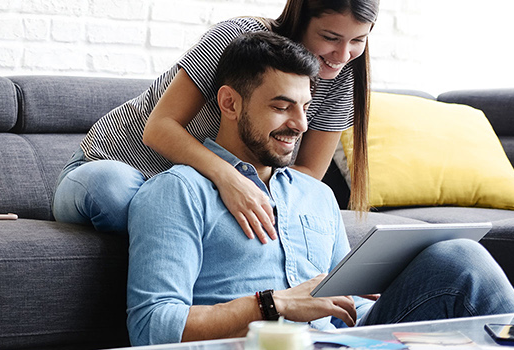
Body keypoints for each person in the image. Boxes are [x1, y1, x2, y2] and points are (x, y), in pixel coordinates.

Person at [123, 31, 514, 346]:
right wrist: (272, 304)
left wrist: (367, 298)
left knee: (459, 256)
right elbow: (150, 327)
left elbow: (342, 302)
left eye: (305, 106)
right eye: (281, 106)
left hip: (343, 340)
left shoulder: (314, 194)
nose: (300, 124)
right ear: (229, 104)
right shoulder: (177, 192)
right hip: (266, 345)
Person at [55, 0, 376, 240]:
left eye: (358, 41)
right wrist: (231, 179)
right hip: (121, 169)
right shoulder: (236, 39)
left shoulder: (341, 78)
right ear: (301, 18)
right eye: (331, 37)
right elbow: (159, 128)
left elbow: (306, 177)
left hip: (196, 195)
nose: (343, 55)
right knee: (115, 192)